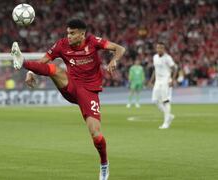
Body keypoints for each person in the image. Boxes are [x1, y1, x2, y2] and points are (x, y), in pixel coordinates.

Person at [11, 19, 125, 180]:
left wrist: (114, 59)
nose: (69, 36)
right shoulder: (61, 45)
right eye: (68, 33)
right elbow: (44, 60)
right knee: (55, 70)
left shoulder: (93, 42)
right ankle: (22, 62)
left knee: (96, 135)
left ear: (82, 34)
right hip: (71, 86)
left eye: (72, 33)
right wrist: (30, 72)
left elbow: (120, 48)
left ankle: (104, 164)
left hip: (89, 92)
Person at [149, 42, 177, 129]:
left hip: (166, 81)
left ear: (164, 49)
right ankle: (169, 116)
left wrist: (173, 80)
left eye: (161, 48)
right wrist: (151, 80)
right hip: (158, 81)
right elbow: (155, 69)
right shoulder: (155, 57)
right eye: (158, 48)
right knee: (155, 100)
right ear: (156, 48)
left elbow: (175, 68)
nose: (159, 49)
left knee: (165, 101)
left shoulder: (168, 58)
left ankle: (166, 123)